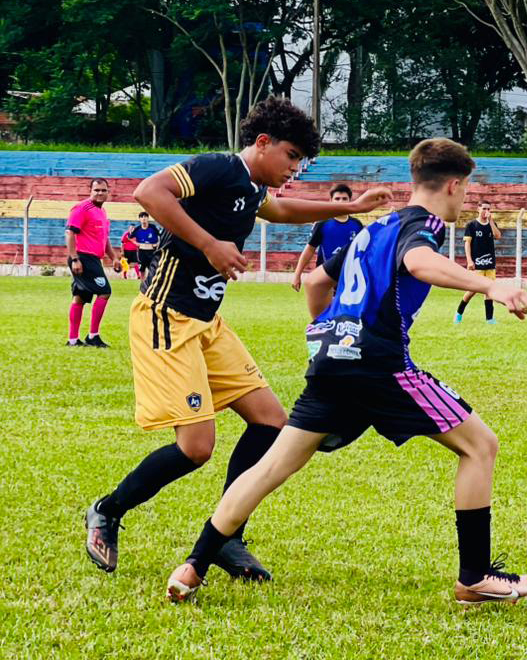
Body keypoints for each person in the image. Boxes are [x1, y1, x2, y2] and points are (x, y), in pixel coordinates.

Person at [164, 137, 527, 607]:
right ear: (454, 184)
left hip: (332, 360)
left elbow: (321, 279)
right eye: (465, 191)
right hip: (378, 363)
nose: (463, 199)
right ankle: (475, 577)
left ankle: (193, 566)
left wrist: (323, 326)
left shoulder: (374, 227)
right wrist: (492, 284)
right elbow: (418, 262)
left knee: (274, 466)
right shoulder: (422, 225)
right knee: (480, 445)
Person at [82, 96, 391, 579]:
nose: (295, 169)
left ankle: (227, 538)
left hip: (207, 323)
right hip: (166, 315)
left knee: (271, 423)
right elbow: (149, 192)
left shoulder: (249, 187)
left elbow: (283, 209)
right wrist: (210, 244)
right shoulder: (219, 168)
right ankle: (108, 510)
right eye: (291, 157)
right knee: (197, 447)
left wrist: (349, 206)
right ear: (263, 143)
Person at [65, 178, 121, 348]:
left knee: (80, 298)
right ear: (90, 190)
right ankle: (93, 336)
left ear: (108, 192)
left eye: (103, 190)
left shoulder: (102, 212)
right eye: (96, 190)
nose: (100, 193)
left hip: (92, 259)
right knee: (105, 292)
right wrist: (75, 259)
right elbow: (69, 233)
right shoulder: (82, 208)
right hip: (83, 258)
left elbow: (104, 239)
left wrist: (114, 257)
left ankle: (73, 340)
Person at [291, 184, 364, 292]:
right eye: (337, 199)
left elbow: (362, 252)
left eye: (344, 199)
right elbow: (310, 249)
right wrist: (297, 274)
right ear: (331, 201)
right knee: (325, 308)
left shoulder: (357, 225)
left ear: (350, 201)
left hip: (349, 277)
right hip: (325, 277)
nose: (341, 202)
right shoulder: (322, 223)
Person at [455, 201, 501, 324]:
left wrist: (491, 221)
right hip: (477, 263)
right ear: (478, 209)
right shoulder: (472, 225)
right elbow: (467, 244)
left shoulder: (492, 224)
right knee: (472, 290)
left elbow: (498, 236)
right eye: (484, 208)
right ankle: (459, 313)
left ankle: (489, 318)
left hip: (490, 262)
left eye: (489, 209)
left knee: (489, 290)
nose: (486, 211)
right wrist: (469, 261)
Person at [132, 211, 160, 280]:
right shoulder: (137, 229)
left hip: (152, 251)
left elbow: (160, 236)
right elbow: (129, 238)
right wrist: (136, 243)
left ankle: (152, 282)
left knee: (153, 268)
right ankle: (142, 282)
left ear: (148, 218)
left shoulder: (152, 227)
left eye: (145, 217)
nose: (143, 219)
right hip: (142, 251)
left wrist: (157, 244)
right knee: (142, 268)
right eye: (142, 217)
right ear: (139, 219)